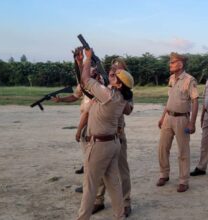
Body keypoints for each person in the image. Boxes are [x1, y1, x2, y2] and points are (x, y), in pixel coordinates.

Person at [77, 48, 134, 220]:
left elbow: (85, 80)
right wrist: (82, 64)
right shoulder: (119, 96)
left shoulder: (108, 94)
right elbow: (88, 86)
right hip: (113, 143)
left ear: (118, 83)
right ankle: (120, 215)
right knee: (113, 184)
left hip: (100, 145)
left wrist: (87, 59)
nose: (112, 72)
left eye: (116, 74)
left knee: (90, 186)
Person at [51, 47, 101, 193]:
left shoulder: (98, 82)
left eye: (88, 66)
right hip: (85, 122)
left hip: (93, 122)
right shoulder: (84, 82)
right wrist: (60, 100)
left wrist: (84, 61)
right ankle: (90, 185)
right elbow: (75, 96)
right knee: (88, 157)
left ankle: (91, 188)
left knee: (92, 159)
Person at [93, 57, 134, 217]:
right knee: (101, 169)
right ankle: (98, 199)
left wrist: (118, 94)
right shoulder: (104, 85)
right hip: (103, 132)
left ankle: (126, 202)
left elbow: (129, 109)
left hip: (118, 132)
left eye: (119, 69)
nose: (114, 70)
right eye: (113, 67)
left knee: (122, 169)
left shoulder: (125, 88)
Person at [156, 52, 199, 193]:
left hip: (182, 119)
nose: (170, 64)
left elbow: (195, 101)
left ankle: (183, 181)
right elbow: (169, 100)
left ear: (180, 64)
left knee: (183, 151)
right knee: (162, 148)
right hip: (168, 117)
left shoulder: (189, 80)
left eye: (173, 62)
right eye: (170, 62)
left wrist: (192, 123)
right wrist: (163, 117)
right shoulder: (171, 79)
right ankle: (164, 174)